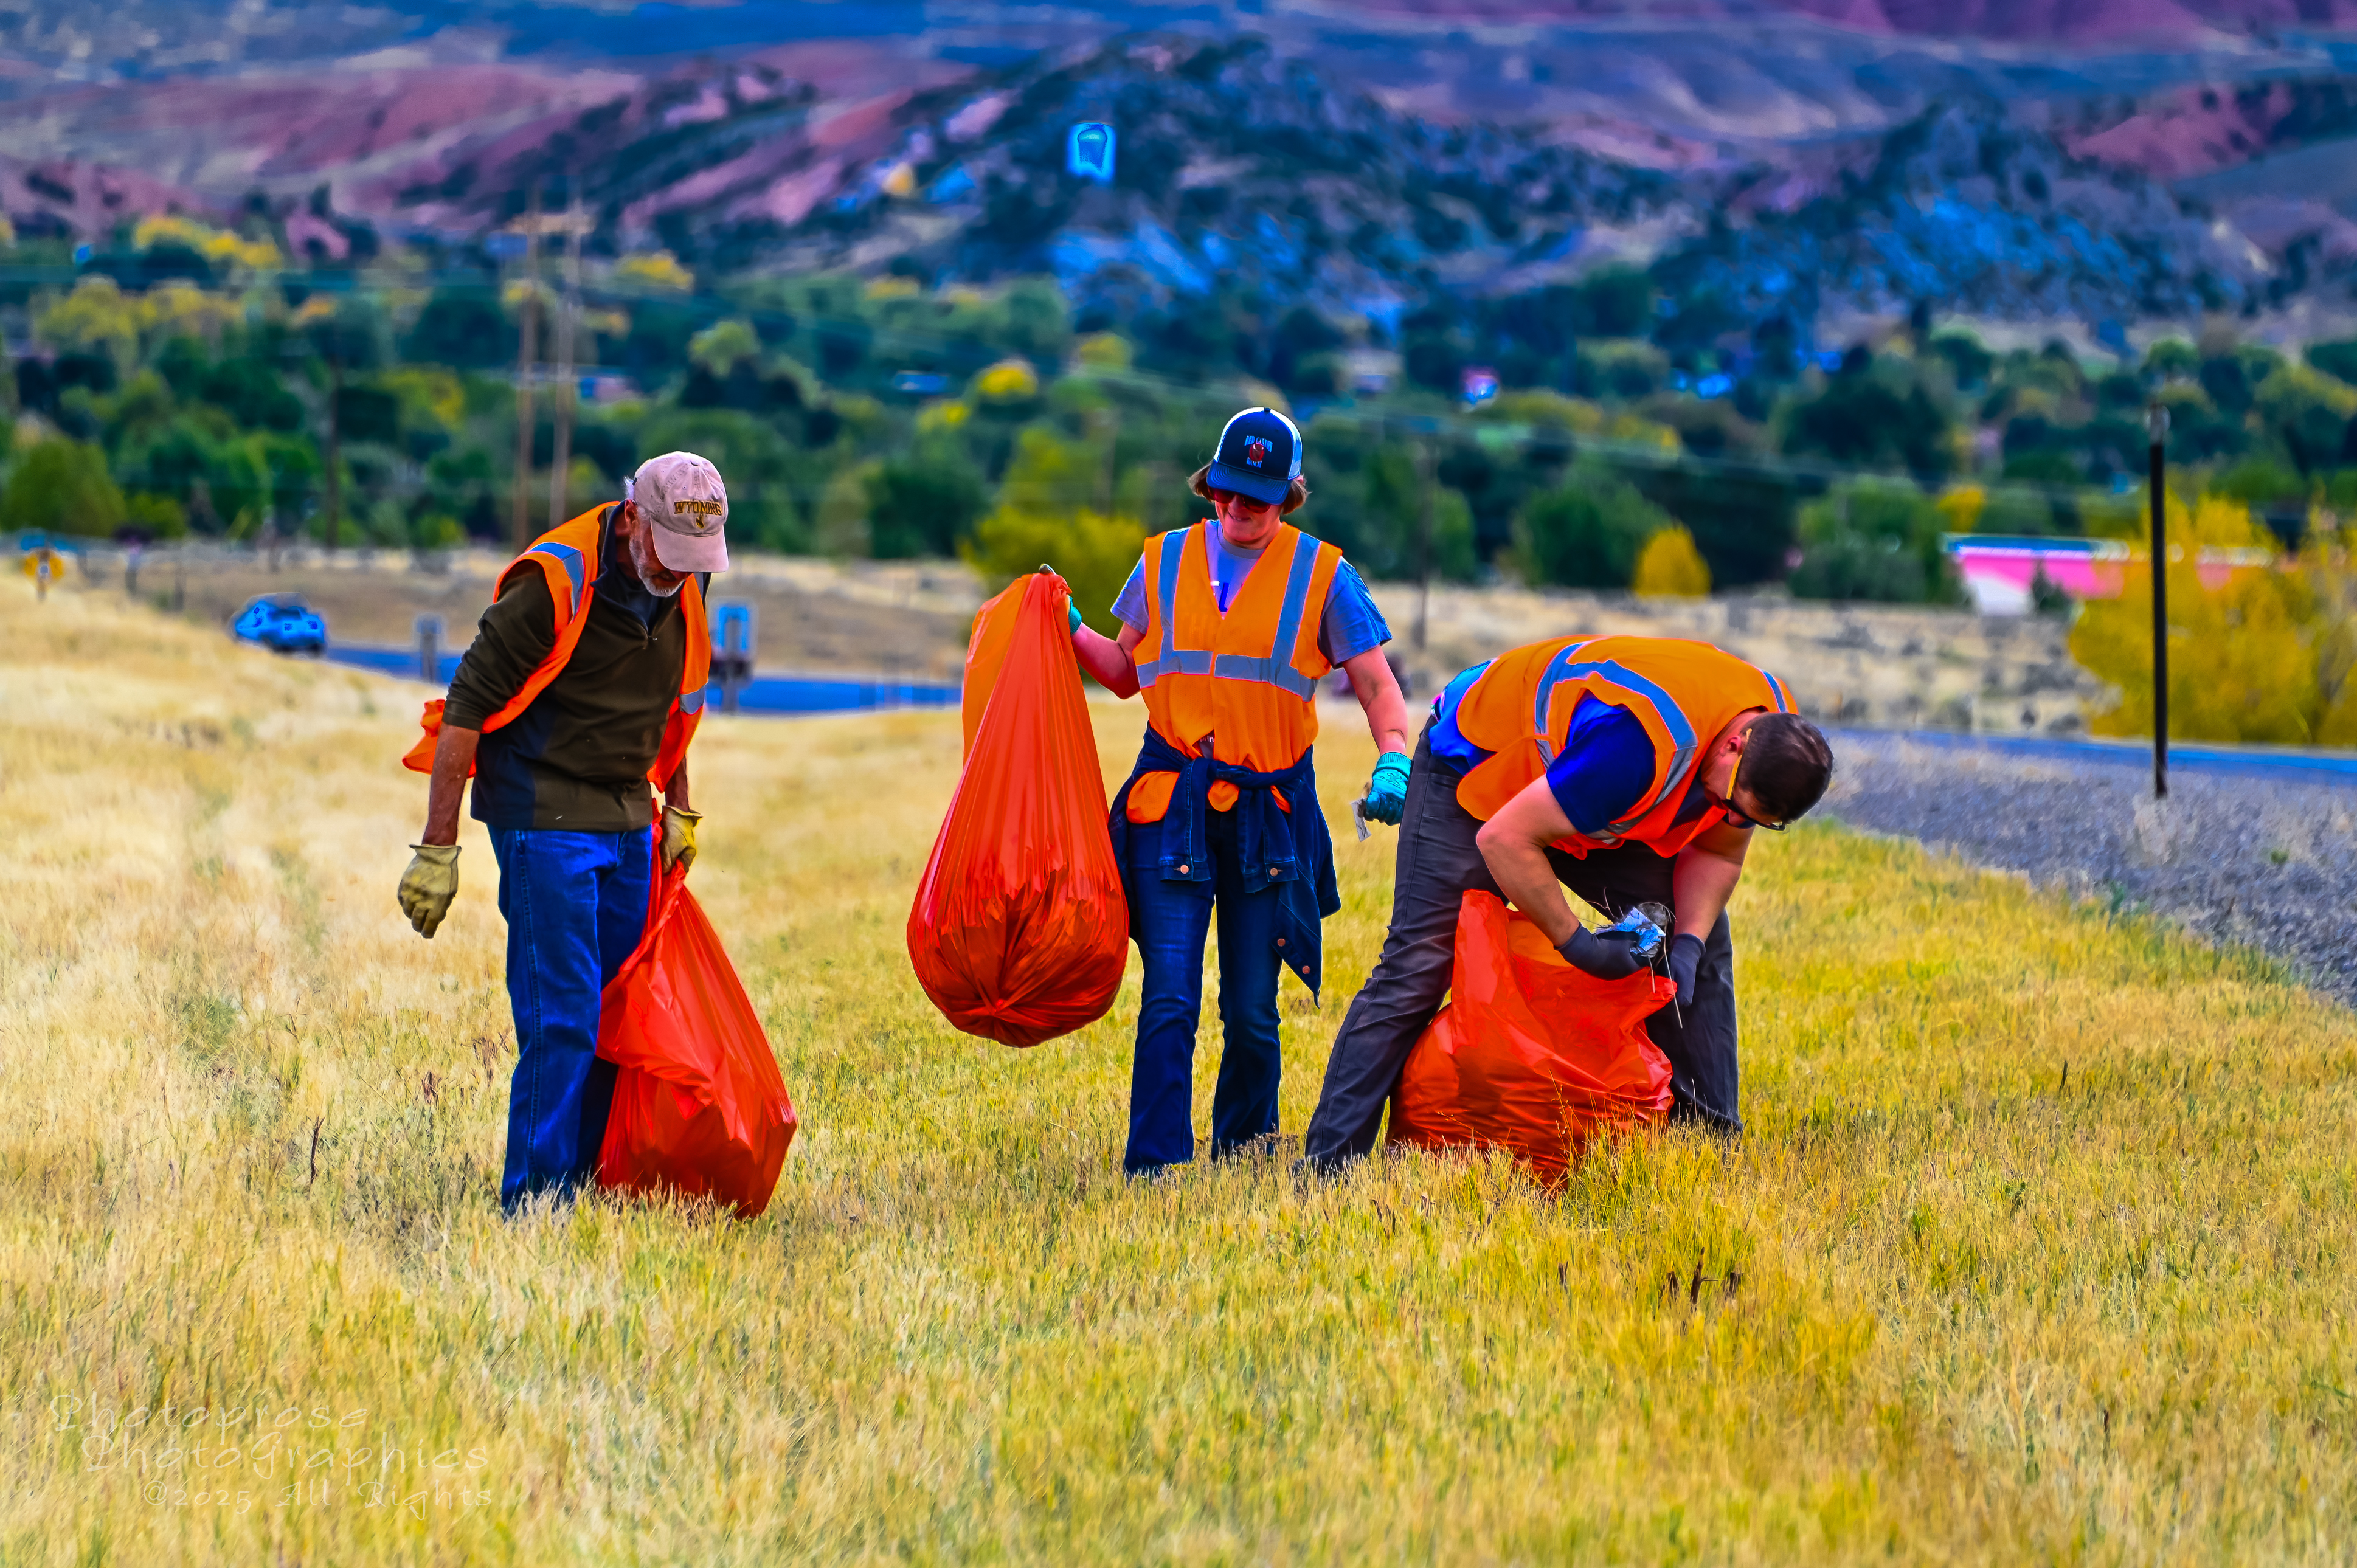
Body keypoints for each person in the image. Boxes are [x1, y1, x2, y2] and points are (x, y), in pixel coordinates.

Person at [1301, 634, 1835, 1170]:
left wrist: (1691, 942)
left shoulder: (1772, 734)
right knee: (1418, 965)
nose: (1725, 812)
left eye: (1753, 818)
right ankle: (1327, 1168)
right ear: (1734, 745)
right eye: (1727, 799)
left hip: (1582, 796)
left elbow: (1719, 852)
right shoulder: (1640, 748)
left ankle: (1704, 1148)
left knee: (1702, 939)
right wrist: (1578, 945)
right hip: (1479, 767)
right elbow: (1505, 840)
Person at [1067, 407, 1413, 1177]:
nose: (1237, 508)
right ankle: (1155, 1162)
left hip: (1269, 813)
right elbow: (1125, 675)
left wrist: (1393, 759)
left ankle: (1246, 1150)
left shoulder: (1326, 576)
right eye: (1226, 491)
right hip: (1173, 802)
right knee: (1169, 998)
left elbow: (1381, 690)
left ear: (1289, 494)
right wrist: (1071, 627)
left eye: (1256, 496)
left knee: (1253, 1009)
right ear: (1211, 485)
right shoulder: (1160, 561)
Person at [395, 452, 729, 1211]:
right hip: (541, 813)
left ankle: (590, 1182)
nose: (679, 575)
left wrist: (677, 803)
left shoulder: (689, 576)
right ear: (634, 517)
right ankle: (536, 1203)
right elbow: (466, 706)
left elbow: (676, 698)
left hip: (626, 814)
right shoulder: (552, 582)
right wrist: (437, 846)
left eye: (695, 561)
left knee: (619, 1015)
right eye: (669, 553)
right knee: (565, 1016)